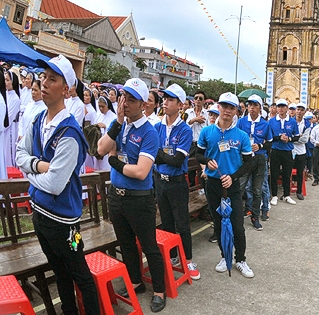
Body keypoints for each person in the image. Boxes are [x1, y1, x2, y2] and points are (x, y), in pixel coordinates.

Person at [15, 55, 101, 315]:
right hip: (40, 215)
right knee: (59, 270)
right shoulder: (38, 120)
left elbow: (54, 184)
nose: (43, 82)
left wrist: (29, 173)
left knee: (79, 272)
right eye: (44, 77)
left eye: (52, 79)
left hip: (65, 223)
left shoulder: (70, 134)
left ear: (66, 90)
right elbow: (20, 155)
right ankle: (69, 311)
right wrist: (39, 165)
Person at [96, 78, 167, 312]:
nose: (125, 103)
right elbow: (101, 149)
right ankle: (136, 282)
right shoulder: (119, 125)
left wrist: (115, 162)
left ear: (144, 105)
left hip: (139, 199)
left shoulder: (149, 132)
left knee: (149, 246)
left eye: (132, 100)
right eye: (123, 97)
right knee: (126, 244)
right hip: (116, 196)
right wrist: (117, 124)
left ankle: (159, 290)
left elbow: (140, 172)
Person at [194, 92, 255, 278]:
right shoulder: (207, 132)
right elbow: (198, 154)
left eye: (231, 107)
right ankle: (224, 256)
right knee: (219, 224)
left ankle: (241, 259)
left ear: (236, 111)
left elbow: (249, 163)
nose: (227, 110)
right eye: (224, 106)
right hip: (213, 184)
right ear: (218, 107)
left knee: (237, 226)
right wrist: (207, 161)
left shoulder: (241, 136)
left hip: (232, 186)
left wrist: (233, 177)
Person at [152, 84, 200, 280]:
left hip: (177, 182)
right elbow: (153, 156)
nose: (165, 102)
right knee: (166, 222)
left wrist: (160, 155)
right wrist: (163, 156)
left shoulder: (185, 130)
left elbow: (178, 160)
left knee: (182, 223)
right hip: (160, 180)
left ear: (180, 105)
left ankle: (187, 259)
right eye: (164, 99)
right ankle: (172, 256)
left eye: (170, 99)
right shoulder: (157, 127)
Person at [236, 94, 271, 227]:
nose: (252, 107)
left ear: (260, 107)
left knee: (257, 190)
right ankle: (237, 215)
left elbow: (270, 142)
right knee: (240, 187)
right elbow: (235, 138)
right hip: (244, 159)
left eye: (255, 105)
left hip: (259, 159)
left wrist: (260, 146)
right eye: (250, 105)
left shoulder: (265, 124)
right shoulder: (241, 122)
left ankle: (255, 216)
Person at [268, 98, 300, 205]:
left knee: (287, 174)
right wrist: (279, 137)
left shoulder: (292, 121)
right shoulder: (271, 121)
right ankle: (274, 195)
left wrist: (289, 139)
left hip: (287, 150)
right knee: (274, 173)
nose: (280, 109)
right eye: (279, 106)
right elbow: (269, 137)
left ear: (287, 108)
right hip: (275, 150)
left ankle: (287, 195)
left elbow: (297, 136)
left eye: (283, 106)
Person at [292, 103, 311, 200]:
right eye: (298, 109)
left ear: (304, 112)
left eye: (301, 110)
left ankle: (299, 191)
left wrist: (292, 138)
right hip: (290, 150)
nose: (299, 112)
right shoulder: (290, 121)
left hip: (301, 151)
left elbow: (305, 139)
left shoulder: (307, 124)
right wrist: (297, 137)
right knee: (287, 171)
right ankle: (286, 191)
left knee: (300, 172)